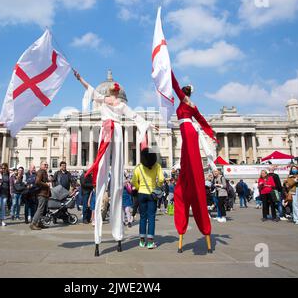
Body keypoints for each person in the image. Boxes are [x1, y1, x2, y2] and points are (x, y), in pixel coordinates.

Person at [74, 70, 151, 256]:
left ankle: (118, 234)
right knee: (101, 174)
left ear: (117, 94)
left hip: (117, 132)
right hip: (106, 130)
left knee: (117, 183)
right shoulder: (102, 100)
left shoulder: (121, 106)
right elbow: (90, 89)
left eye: (114, 92)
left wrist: (148, 124)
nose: (112, 94)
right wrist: (80, 78)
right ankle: (98, 237)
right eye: (111, 92)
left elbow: (134, 116)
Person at [170, 71, 217, 253]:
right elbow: (202, 120)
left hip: (187, 131)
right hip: (188, 131)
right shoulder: (192, 104)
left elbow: (174, 85)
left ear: (184, 92)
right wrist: (211, 133)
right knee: (187, 159)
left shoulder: (184, 100)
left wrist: (169, 69)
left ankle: (189, 176)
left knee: (189, 157)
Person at [132, 148, 164, 249]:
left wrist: (138, 188)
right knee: (151, 218)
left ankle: (141, 241)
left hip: (141, 193)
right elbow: (162, 179)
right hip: (152, 194)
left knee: (142, 217)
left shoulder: (138, 168)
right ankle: (150, 242)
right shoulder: (157, 166)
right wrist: (157, 186)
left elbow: (134, 181)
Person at [30, 161, 51, 230]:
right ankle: (33, 223)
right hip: (41, 193)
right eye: (45, 165)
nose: (46, 166)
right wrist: (46, 184)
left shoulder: (44, 172)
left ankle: (39, 223)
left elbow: (43, 180)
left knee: (42, 210)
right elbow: (37, 181)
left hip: (44, 193)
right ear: (41, 165)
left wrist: (49, 180)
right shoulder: (40, 172)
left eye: (47, 165)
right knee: (40, 209)